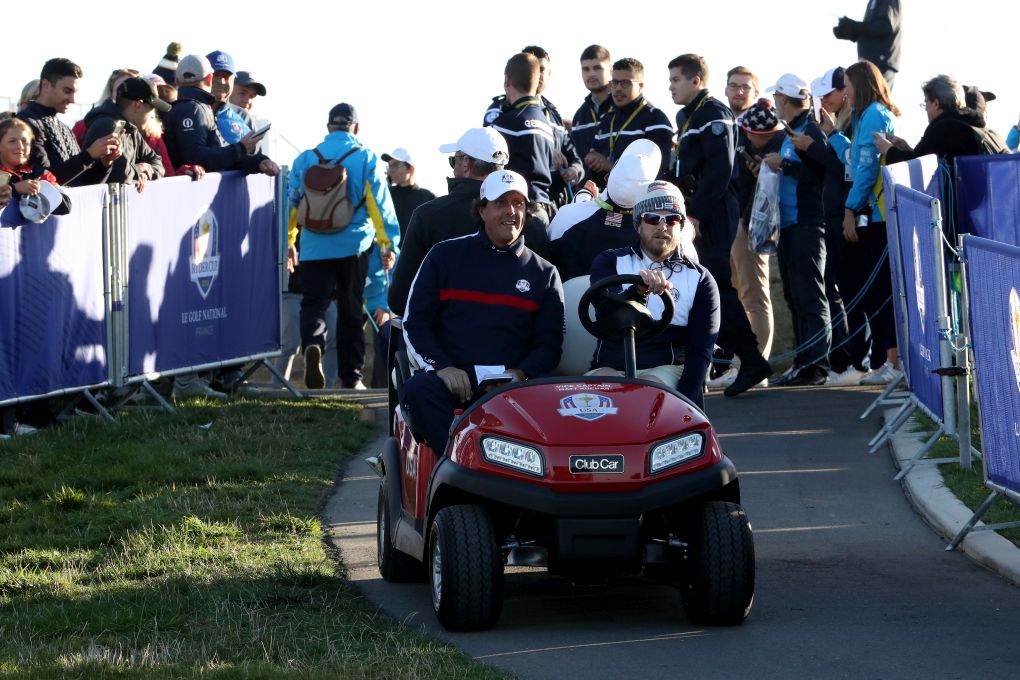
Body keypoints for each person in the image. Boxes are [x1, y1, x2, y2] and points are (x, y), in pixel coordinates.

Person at [400, 169, 564, 454]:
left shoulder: (544, 273)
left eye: (518, 203)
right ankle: (456, 467)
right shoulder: (444, 255)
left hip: (514, 386)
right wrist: (442, 367)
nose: (511, 211)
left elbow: (549, 345)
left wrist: (520, 373)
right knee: (417, 390)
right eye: (501, 203)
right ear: (482, 210)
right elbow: (415, 322)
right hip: (454, 379)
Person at [670, 53, 772, 396]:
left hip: (714, 210)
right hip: (698, 208)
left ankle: (749, 358)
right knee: (704, 286)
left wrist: (695, 213)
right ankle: (739, 358)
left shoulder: (713, 113)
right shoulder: (688, 115)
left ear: (696, 80)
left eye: (676, 80)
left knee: (714, 285)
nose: (670, 87)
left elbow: (718, 171)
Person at [288, 102, 400, 390]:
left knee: (313, 303)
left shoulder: (305, 160)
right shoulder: (365, 158)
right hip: (354, 247)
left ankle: (314, 343)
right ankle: (351, 377)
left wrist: (289, 242)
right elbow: (380, 207)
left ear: (328, 128)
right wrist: (388, 244)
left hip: (313, 246)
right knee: (351, 309)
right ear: (357, 128)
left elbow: (293, 204)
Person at [387, 127, 550, 316]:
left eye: (452, 161)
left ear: (466, 164)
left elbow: (400, 300)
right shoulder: (531, 222)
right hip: (516, 339)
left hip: (445, 339)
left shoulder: (428, 216)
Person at [588, 181, 719, 409]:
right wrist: (638, 292)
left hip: (667, 368)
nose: (662, 226)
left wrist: (686, 405)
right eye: (652, 218)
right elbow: (605, 311)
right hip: (611, 366)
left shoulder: (700, 279)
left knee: (644, 392)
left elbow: (700, 352)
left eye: (672, 219)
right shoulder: (609, 261)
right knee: (603, 396)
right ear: (638, 224)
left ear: (681, 226)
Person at [827, 60, 902, 385]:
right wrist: (832, 135)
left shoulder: (875, 114)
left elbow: (869, 170)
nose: (844, 91)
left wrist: (849, 209)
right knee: (876, 290)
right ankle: (889, 359)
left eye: (847, 84)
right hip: (870, 214)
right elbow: (854, 161)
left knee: (883, 290)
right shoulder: (861, 116)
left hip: (879, 215)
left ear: (861, 83)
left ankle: (894, 362)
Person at [761, 74, 830, 386]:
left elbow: (822, 173)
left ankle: (817, 365)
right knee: (794, 296)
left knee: (811, 296)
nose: (774, 103)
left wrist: (784, 166)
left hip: (808, 222)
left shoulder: (811, 129)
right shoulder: (788, 131)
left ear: (783, 99)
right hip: (787, 225)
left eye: (776, 98)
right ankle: (803, 363)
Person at [797, 66, 864, 386]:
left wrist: (820, 142)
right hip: (835, 212)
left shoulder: (852, 123)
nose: (824, 100)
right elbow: (830, 169)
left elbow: (843, 168)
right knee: (843, 288)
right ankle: (850, 360)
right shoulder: (837, 124)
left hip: (849, 214)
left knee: (853, 290)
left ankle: (860, 361)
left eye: (830, 93)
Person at [550, 140, 696, 282]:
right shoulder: (673, 231)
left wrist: (584, 204)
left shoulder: (567, 216)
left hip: (571, 305)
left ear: (607, 178)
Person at [715, 97, 783, 391]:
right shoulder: (755, 149)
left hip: (757, 225)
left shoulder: (775, 150)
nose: (747, 137)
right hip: (746, 221)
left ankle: (754, 366)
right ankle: (748, 365)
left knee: (755, 296)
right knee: (745, 294)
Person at [163, 54, 277, 176]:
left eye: (226, 77)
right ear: (209, 79)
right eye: (217, 76)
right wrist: (241, 148)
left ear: (177, 81)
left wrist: (257, 162)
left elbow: (219, 158)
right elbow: (197, 158)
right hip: (192, 191)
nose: (221, 81)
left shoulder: (182, 107)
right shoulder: (195, 108)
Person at [18, 58, 120, 186]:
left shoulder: (64, 128)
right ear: (46, 85)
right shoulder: (25, 125)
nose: (73, 100)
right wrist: (89, 154)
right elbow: (43, 182)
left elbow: (82, 184)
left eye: (75, 93)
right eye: (67, 91)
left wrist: (104, 163)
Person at [486, 52, 562, 222]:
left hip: (521, 212)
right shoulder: (547, 122)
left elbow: (488, 170)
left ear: (507, 81)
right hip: (546, 210)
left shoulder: (506, 122)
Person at [588, 58, 673, 184]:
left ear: (641, 86)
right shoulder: (606, 120)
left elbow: (656, 169)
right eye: (614, 82)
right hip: (607, 197)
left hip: (641, 200)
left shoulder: (656, 119)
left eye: (625, 83)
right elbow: (596, 160)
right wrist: (594, 162)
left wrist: (612, 166)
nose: (618, 88)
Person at [79, 77, 168, 189]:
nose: (153, 116)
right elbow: (118, 173)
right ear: (138, 105)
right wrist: (139, 169)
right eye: (152, 109)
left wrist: (146, 172)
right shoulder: (109, 126)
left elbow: (157, 163)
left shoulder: (131, 128)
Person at [0, 117, 71, 217]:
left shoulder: (40, 173)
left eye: (25, 141)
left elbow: (65, 206)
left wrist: (40, 189)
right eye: (12, 141)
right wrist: (14, 189)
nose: (20, 146)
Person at [833, 0, 902, 88]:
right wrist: (851, 31)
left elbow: (885, 25)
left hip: (879, 64)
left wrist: (855, 27)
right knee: (866, 100)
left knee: (875, 100)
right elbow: (871, 29)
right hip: (870, 63)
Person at [570, 44, 614, 172]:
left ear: (611, 70)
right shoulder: (579, 116)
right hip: (587, 190)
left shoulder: (624, 107)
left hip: (622, 190)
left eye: (597, 68)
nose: (591, 74)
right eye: (586, 69)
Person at [380, 147, 435, 238]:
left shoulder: (428, 198)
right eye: (389, 166)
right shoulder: (385, 195)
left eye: (396, 165)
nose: (390, 170)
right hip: (390, 251)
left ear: (411, 169)